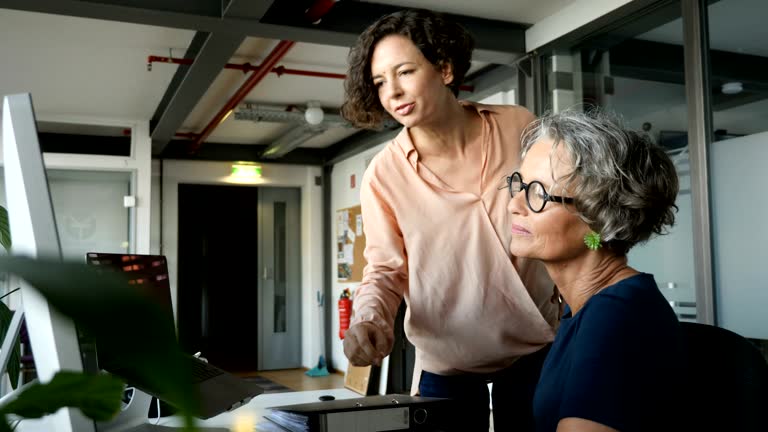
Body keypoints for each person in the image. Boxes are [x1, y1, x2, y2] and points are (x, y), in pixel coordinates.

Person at [340, 8, 559, 431]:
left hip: (538, 347)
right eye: (381, 82)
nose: (393, 92)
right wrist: (369, 320)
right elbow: (385, 269)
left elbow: (568, 210)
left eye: (404, 71)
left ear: (443, 68)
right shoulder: (383, 176)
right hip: (448, 363)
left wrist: (592, 253)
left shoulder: (518, 125)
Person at [505, 109, 684, 432]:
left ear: (599, 217)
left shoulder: (618, 316)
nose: (513, 205)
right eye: (519, 185)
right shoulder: (586, 307)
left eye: (538, 193)